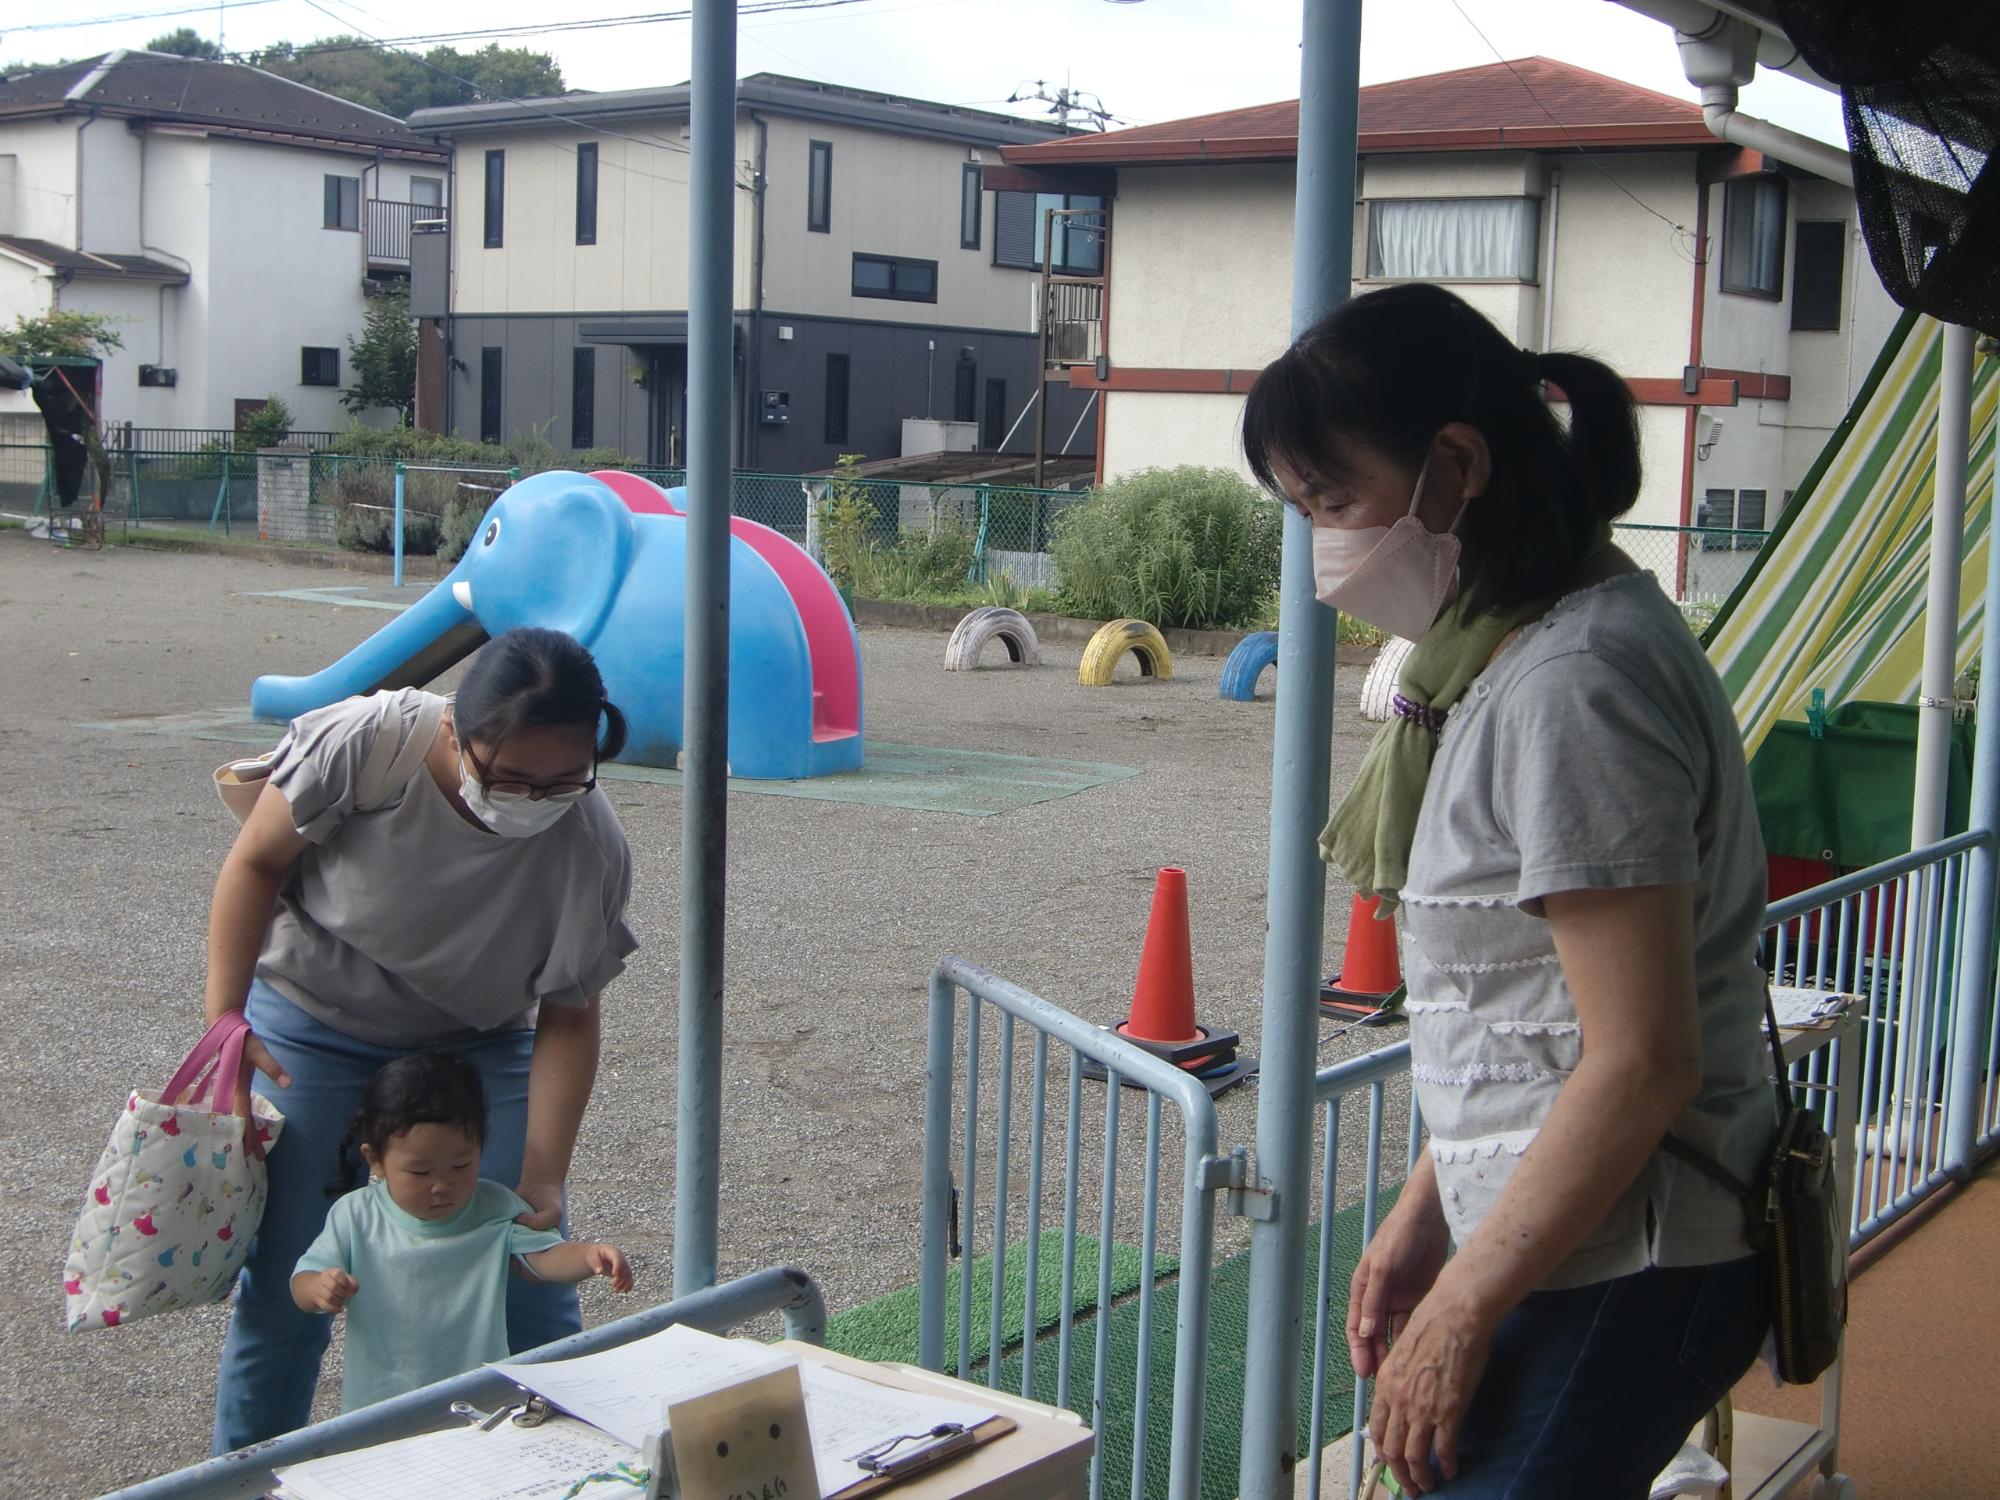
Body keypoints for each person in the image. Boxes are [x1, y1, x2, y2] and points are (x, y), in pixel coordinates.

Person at [1241, 283, 1776, 1497]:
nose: (1321, 543)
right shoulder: (1513, 651)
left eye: (1333, 502)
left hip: (1631, 1263)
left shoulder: (1570, 688)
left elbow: (1639, 1058)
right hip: (1588, 1247)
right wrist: (1428, 1210)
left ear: (1455, 465)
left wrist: (1462, 1304)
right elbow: (1530, 1014)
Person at [205, 626, 638, 1452]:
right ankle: (246, 1475)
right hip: (317, 1016)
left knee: (530, 1270)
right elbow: (254, 862)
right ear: (454, 731)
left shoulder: (587, 840)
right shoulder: (369, 742)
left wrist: (543, 1176)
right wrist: (227, 1019)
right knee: (290, 1281)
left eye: (562, 781)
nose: (534, 800)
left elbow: (571, 1012)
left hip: (476, 1041)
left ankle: (557, 1467)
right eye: (510, 777)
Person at [293, 1053, 634, 1412]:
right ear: (375, 1160)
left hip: (478, 1400)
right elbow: (302, 1280)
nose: (442, 1185)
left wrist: (587, 1256)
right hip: (378, 1405)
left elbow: (543, 1257)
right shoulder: (356, 1215)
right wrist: (319, 1289)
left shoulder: (494, 1207)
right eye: (420, 1172)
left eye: (461, 1165)